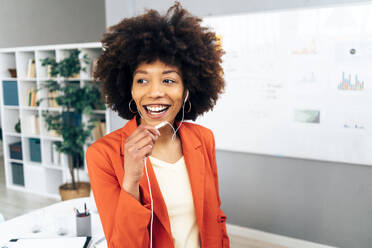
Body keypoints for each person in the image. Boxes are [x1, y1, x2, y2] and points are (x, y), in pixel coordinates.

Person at [86, 2, 229, 247]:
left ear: (187, 90)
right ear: (128, 89)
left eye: (168, 80)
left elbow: (216, 219)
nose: (155, 92)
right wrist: (131, 179)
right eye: (142, 80)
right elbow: (122, 244)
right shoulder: (102, 155)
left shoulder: (203, 139)